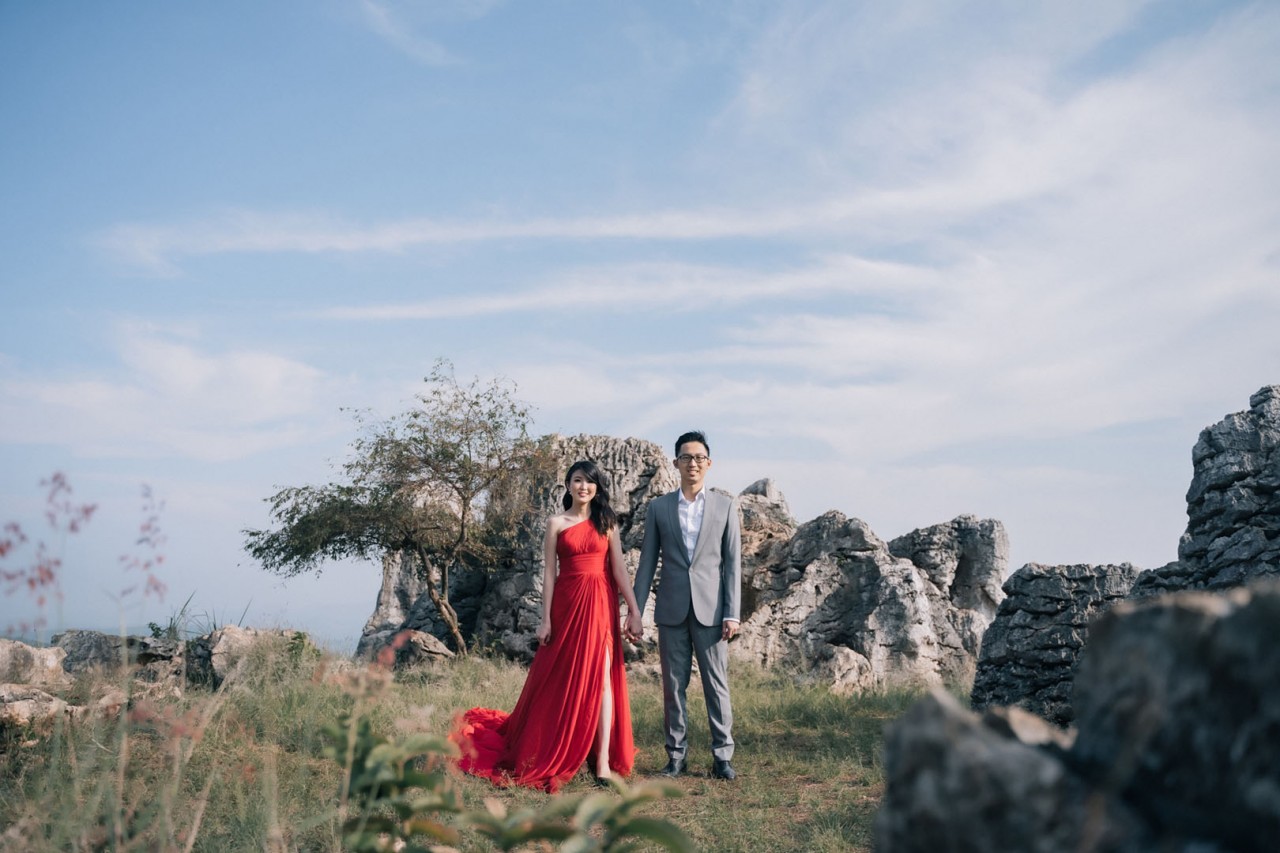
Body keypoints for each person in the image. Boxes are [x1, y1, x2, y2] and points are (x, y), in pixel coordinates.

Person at [452, 460, 645, 792]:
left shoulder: (607, 523)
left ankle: (602, 763)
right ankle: (558, 742)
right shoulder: (556, 523)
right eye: (578, 480)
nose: (583, 486)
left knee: (603, 679)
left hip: (600, 604)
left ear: (597, 487)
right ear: (568, 485)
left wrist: (634, 610)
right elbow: (549, 575)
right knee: (561, 677)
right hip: (567, 606)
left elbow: (619, 570)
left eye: (590, 481)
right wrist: (545, 620)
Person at [632, 430, 742, 781]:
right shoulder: (659, 508)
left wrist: (732, 613)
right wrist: (636, 612)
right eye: (685, 457)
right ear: (675, 462)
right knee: (673, 687)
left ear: (709, 463)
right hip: (672, 610)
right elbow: (647, 563)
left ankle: (722, 757)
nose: (692, 463)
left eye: (698, 458)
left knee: (716, 685)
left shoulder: (725, 506)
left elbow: (732, 564)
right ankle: (676, 757)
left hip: (713, 612)